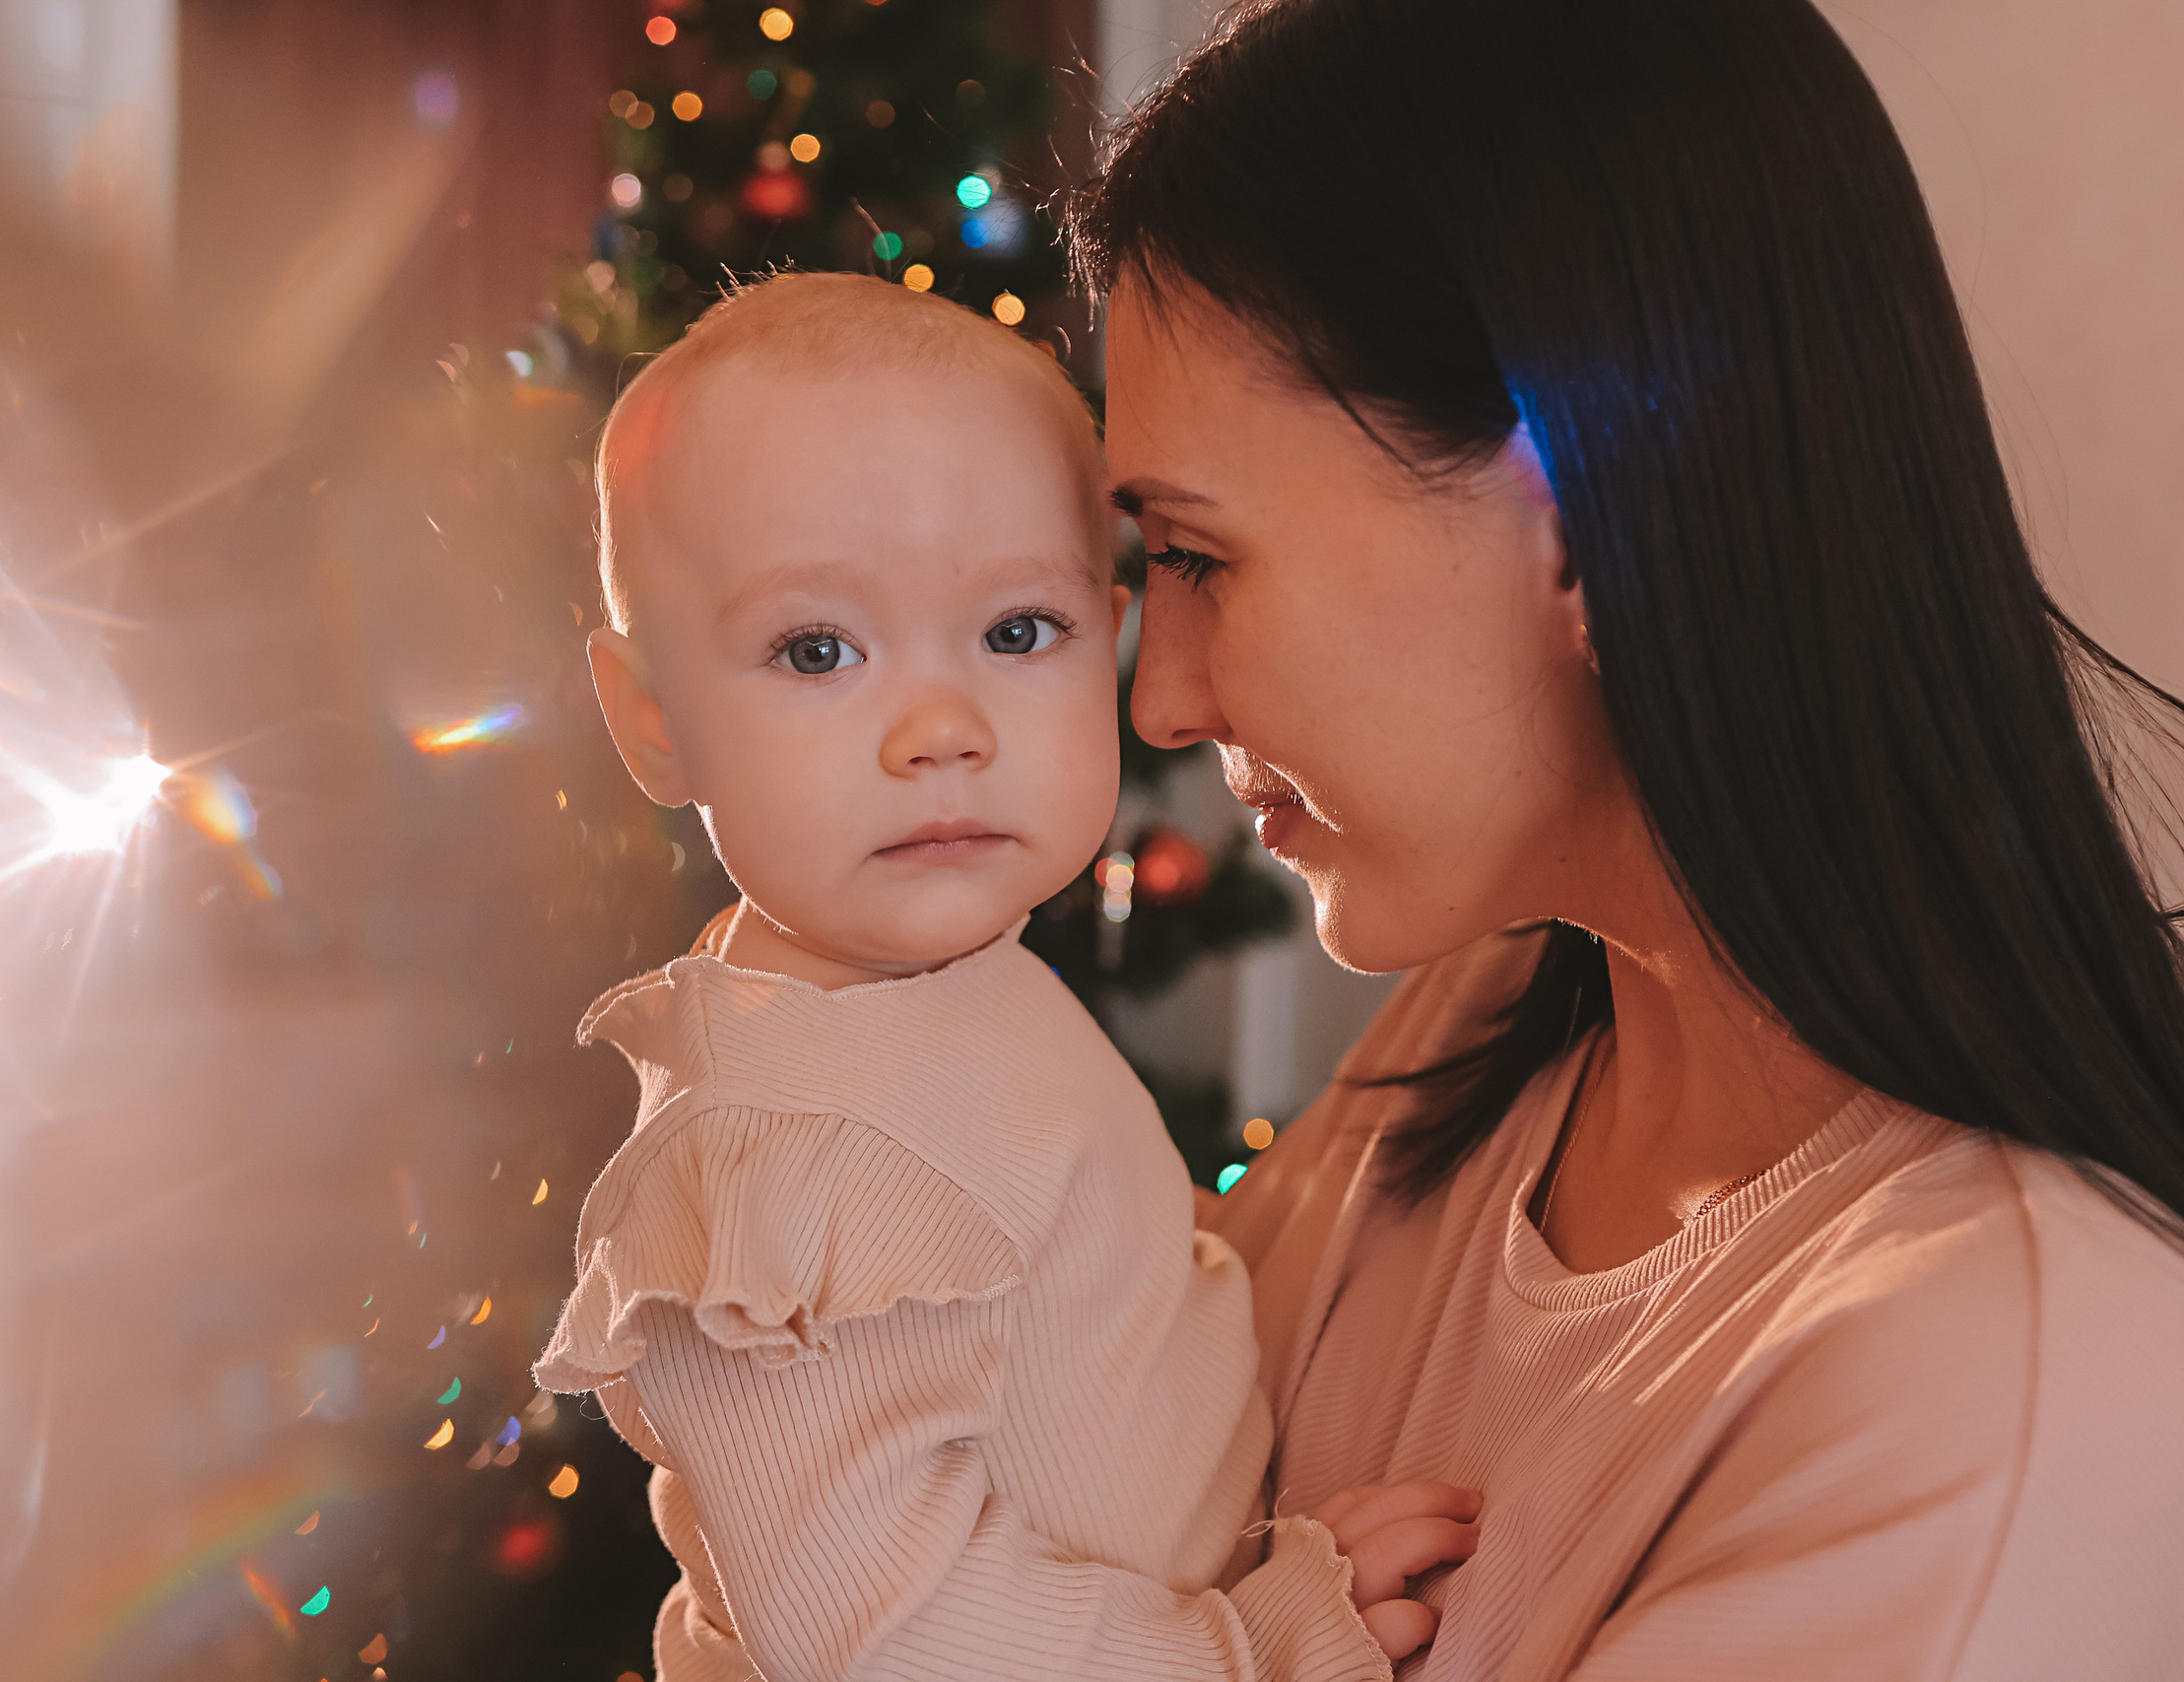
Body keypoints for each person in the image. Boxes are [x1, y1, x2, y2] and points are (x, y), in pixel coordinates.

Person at [1071, 0, 2184, 1676]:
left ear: (1583, 525)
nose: (1160, 700)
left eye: (1199, 557)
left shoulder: (2004, 1377)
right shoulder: (1487, 1034)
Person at [531, 271, 1471, 1682]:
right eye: (818, 649)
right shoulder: (790, 1159)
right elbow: (882, 1634)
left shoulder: (941, 987)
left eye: (1018, 633)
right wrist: (1247, 1656)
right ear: (653, 723)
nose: (942, 726)